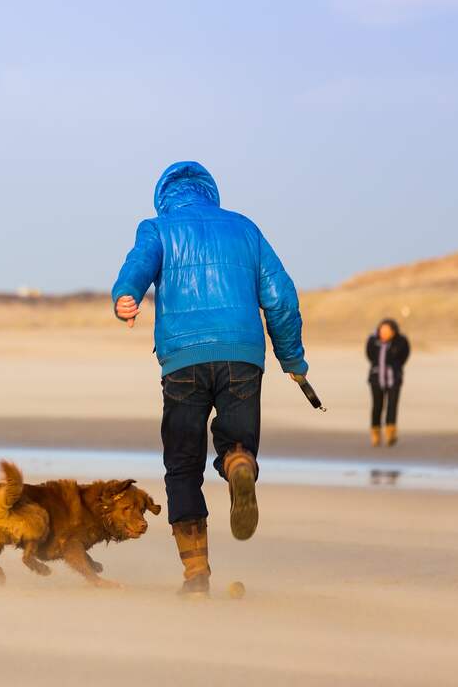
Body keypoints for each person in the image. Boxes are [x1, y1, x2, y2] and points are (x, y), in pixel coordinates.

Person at [111, 161, 308, 597]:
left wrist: (125, 296)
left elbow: (138, 265)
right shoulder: (243, 228)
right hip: (241, 354)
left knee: (182, 464)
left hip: (183, 358)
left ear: (164, 196)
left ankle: (196, 574)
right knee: (237, 440)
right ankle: (239, 462)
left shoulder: (157, 228)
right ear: (210, 192)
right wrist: (292, 358)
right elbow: (280, 297)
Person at [366, 318, 410, 447]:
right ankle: (375, 434)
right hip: (376, 377)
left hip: (394, 378)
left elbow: (404, 356)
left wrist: (394, 368)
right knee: (377, 406)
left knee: (392, 405)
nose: (383, 333)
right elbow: (369, 355)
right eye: (381, 331)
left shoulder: (401, 341)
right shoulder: (373, 341)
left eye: (386, 331)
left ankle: (391, 434)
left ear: (393, 331)